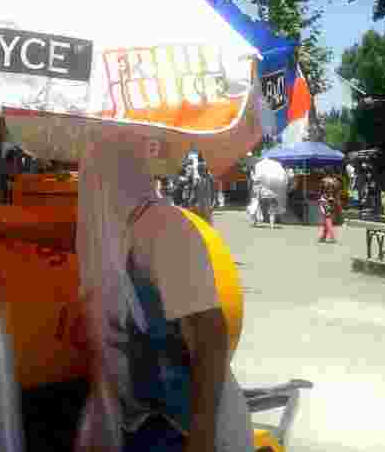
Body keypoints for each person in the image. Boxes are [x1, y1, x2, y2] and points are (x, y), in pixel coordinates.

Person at [75, 135, 253, 452]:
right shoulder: (109, 236)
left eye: (91, 170)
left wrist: (201, 438)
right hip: (144, 421)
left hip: (188, 428)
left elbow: (211, 335)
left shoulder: (165, 229)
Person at [318, 177, 338, 243]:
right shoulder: (332, 181)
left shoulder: (326, 181)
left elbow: (321, 191)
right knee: (327, 219)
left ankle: (331, 237)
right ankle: (324, 237)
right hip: (327, 200)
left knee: (327, 219)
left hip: (326, 200)